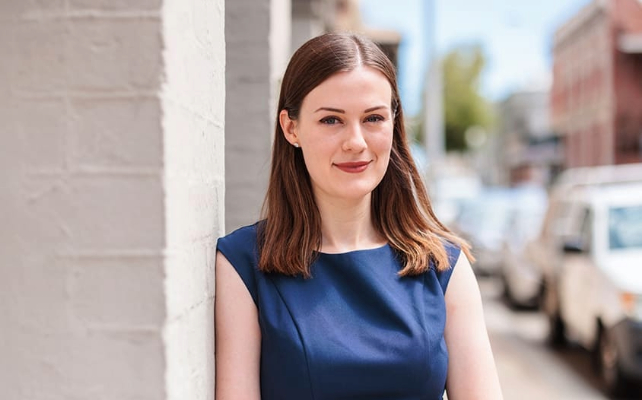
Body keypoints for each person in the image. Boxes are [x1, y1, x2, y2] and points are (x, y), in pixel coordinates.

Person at [215, 32, 503, 400]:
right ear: (291, 128)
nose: (356, 142)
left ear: (394, 124)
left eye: (373, 118)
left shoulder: (444, 267)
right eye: (332, 120)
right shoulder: (243, 265)